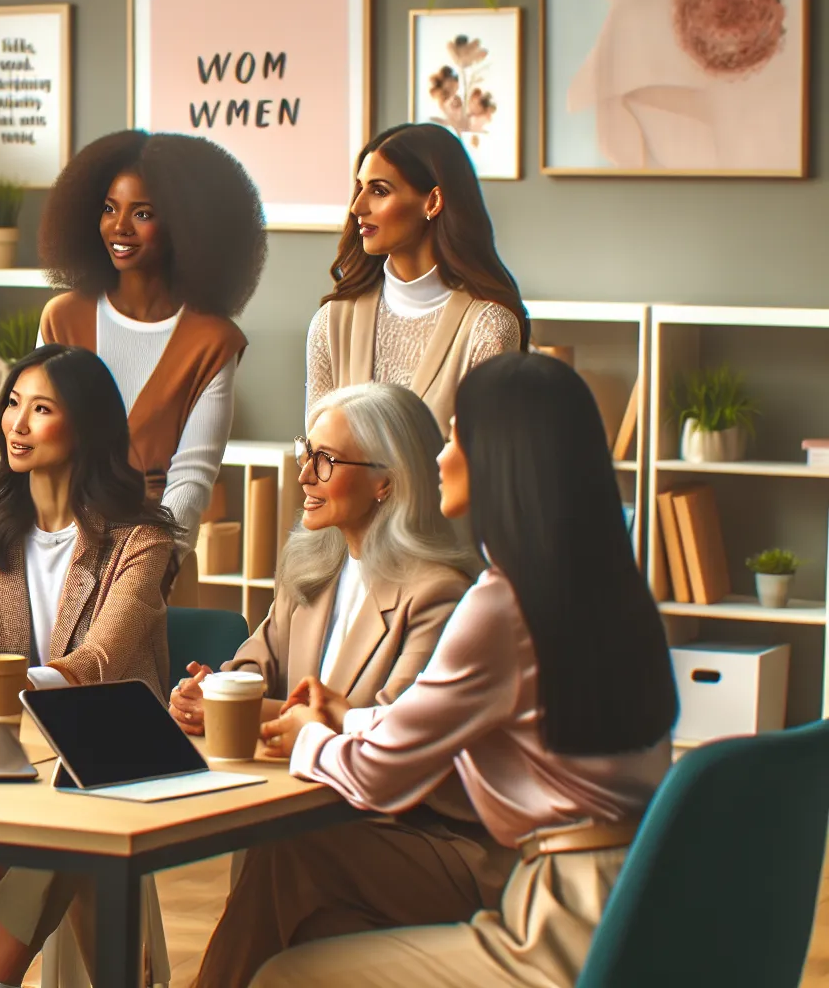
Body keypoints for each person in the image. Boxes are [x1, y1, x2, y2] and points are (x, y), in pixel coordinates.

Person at [244, 351, 677, 987]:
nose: (440, 458)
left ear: (504, 457)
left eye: (455, 438)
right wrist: (346, 714)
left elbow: (377, 776)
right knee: (325, 931)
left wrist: (310, 732)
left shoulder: (499, 604)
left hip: (556, 924)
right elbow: (444, 723)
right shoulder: (604, 586)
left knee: (286, 976)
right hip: (632, 896)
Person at [162, 382, 489, 986]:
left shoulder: (439, 593)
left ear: (385, 483)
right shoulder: (314, 568)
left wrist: (240, 710)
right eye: (304, 453)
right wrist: (213, 690)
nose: (306, 475)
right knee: (306, 939)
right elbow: (255, 665)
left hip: (429, 842)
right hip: (339, 829)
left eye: (327, 461)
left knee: (289, 849)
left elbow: (383, 729)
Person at [0, 343, 179, 988]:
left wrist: (0, 686)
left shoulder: (140, 538)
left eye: (41, 409)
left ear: (88, 427)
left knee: (76, 817)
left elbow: (103, 659)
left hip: (115, 743)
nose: (17, 423)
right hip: (1, 740)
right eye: (13, 404)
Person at [35, 130, 266, 591]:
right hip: (55, 560)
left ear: (185, 225)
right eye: (108, 208)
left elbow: (191, 482)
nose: (119, 227)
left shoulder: (212, 341)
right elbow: (39, 445)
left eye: (142, 213)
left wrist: (146, 570)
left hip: (157, 567)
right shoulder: (63, 319)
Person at [305, 123, 527, 436]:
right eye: (360, 188)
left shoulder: (488, 329)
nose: (357, 207)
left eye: (379, 190)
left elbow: (483, 469)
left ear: (433, 202)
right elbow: (317, 465)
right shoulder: (331, 324)